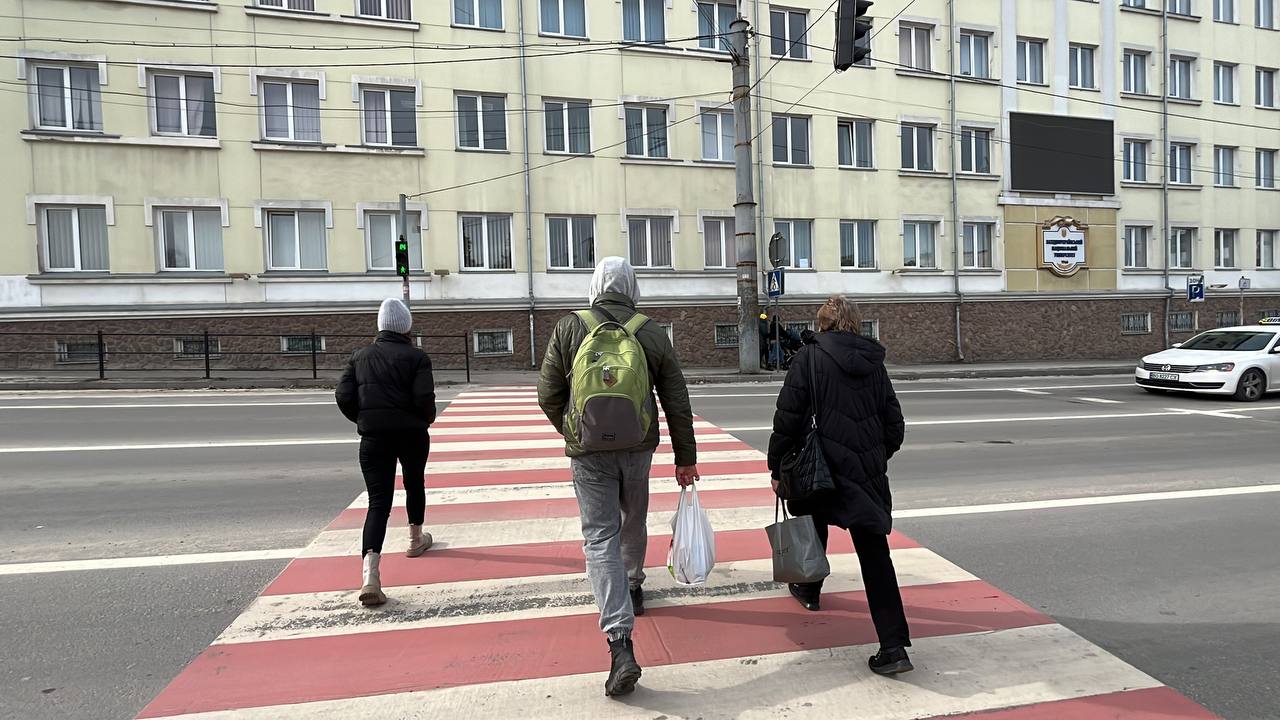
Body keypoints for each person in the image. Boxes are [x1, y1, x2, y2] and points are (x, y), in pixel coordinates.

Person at [538, 257, 699, 698]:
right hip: (638, 446)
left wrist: (573, 429)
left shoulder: (571, 326)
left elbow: (547, 392)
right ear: (632, 286)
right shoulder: (650, 330)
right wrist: (686, 457)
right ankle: (633, 584)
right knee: (633, 519)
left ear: (595, 285)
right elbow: (676, 398)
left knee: (598, 536)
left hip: (589, 452)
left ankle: (619, 642)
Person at [765, 294, 913, 676]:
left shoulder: (808, 358)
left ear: (823, 324)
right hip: (865, 475)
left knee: (814, 520)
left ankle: (810, 590)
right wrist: (873, 457)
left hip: (821, 469)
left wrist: (776, 466)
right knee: (876, 557)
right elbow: (894, 427)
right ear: (856, 324)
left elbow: (788, 419)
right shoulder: (874, 364)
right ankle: (894, 646)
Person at [336, 298, 437, 608]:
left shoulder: (359, 357)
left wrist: (365, 419)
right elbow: (424, 398)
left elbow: (343, 395)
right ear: (406, 326)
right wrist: (424, 419)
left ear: (380, 326)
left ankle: (371, 575)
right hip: (411, 434)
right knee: (414, 483)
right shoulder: (417, 358)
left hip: (373, 438)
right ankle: (414, 539)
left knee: (378, 502)